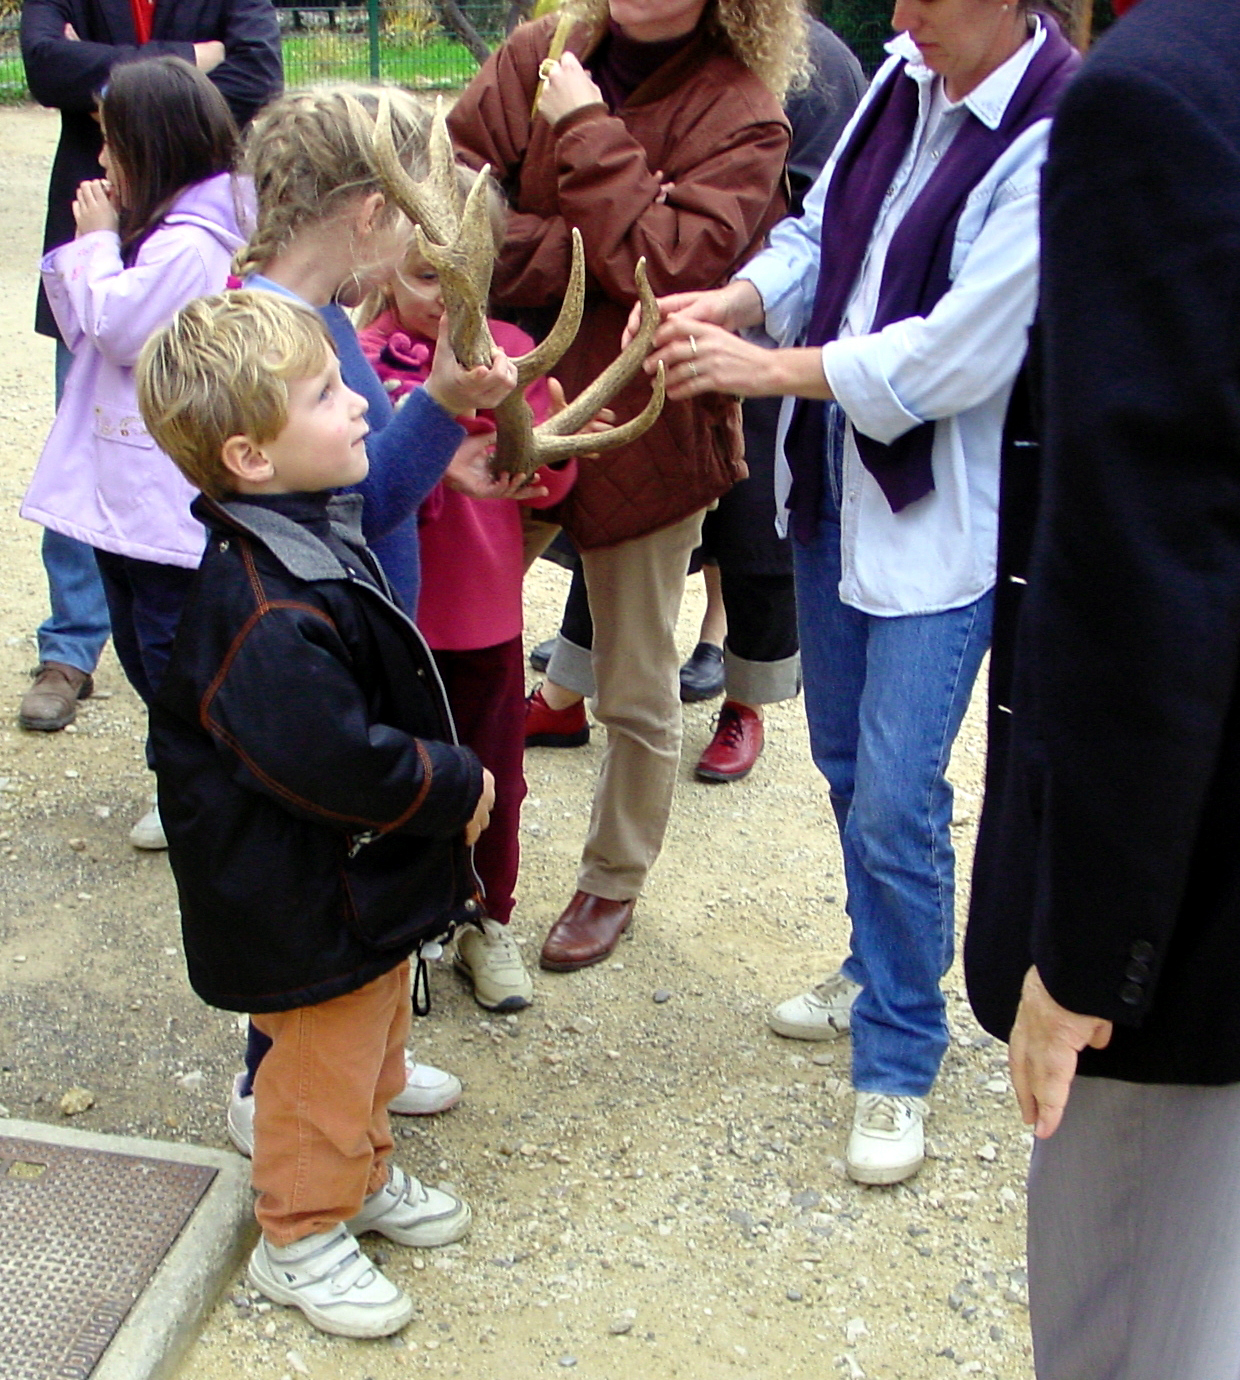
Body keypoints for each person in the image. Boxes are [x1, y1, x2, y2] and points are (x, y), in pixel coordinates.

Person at [644, 0, 1079, 1182]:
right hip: (832, 486)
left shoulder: (1052, 130)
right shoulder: (905, 73)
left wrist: (764, 366)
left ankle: (898, 1053)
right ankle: (874, 961)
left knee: (895, 787)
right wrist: (736, 300)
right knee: (842, 761)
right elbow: (819, 232)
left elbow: (956, 356)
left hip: (937, 516)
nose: (898, 16)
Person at [964, 0, 1240, 1374]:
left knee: (1139, 1331)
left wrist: (1086, 955)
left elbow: (1151, 567)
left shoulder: (1160, 98)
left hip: (1191, 928)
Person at [137, 290, 493, 1338]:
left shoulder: (305, 533)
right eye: (329, 395)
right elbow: (329, 759)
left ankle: (362, 1175)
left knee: (374, 1036)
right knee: (320, 1066)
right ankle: (299, 1233)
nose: (360, 408)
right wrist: (451, 782)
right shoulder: (263, 604)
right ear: (250, 456)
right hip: (296, 891)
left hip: (346, 885)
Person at [449, 0, 798, 972]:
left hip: (649, 423)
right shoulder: (539, 50)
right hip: (505, 401)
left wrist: (580, 128)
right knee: (450, 646)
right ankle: (449, 868)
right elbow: (448, 214)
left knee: (638, 688)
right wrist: (585, 251)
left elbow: (673, 267)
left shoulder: (742, 109)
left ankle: (612, 879)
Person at [225, 84, 520, 1152]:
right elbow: (361, 502)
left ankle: (352, 1062)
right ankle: (284, 1095)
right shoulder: (282, 334)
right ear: (368, 211)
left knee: (351, 867)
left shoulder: (302, 318)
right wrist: (443, 403)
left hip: (351, 635)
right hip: (325, 647)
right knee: (317, 883)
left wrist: (444, 424)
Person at [525, 15, 867, 783]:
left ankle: (746, 702)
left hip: (755, 340)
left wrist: (699, 258)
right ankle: (566, 687)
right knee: (619, 516)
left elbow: (809, 230)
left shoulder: (822, 69)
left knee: (755, 539)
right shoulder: (622, 47)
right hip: (641, 331)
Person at [18, 0, 282, 741]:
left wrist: (97, 243)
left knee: (172, 657)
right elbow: (42, 64)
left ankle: (201, 781)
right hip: (129, 505)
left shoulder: (187, 245)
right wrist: (191, 54)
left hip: (160, 511)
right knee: (149, 650)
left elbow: (119, 325)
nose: (99, 163)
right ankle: (182, 769)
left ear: (153, 151)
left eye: (112, 147)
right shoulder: (164, 228)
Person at [358, 229, 575, 1012]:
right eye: (425, 277)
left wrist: (533, 453)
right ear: (381, 266)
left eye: (470, 285)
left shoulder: (513, 353)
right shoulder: (358, 358)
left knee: (495, 780)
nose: (450, 302)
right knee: (398, 780)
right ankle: (404, 924)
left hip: (483, 615)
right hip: (396, 617)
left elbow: (552, 482)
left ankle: (485, 918)